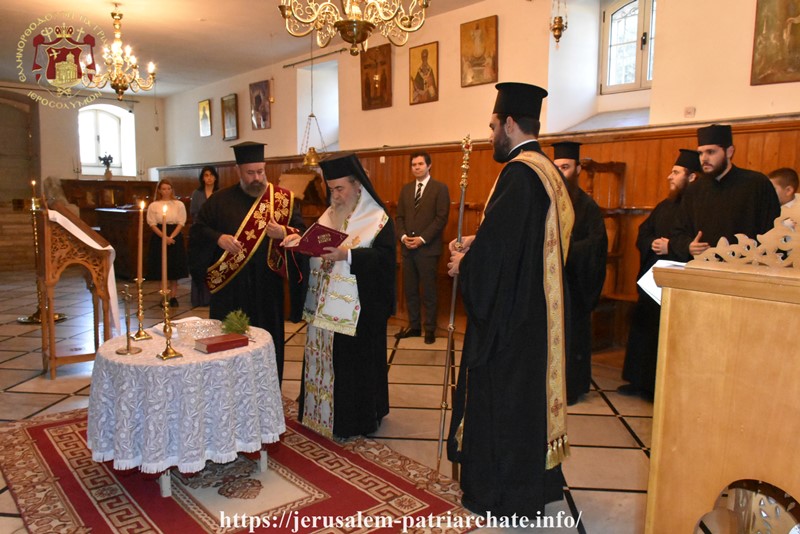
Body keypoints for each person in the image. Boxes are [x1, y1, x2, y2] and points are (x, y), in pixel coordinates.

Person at [445, 83, 574, 518]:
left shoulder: (520, 174)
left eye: (493, 126)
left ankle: (499, 494)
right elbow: (520, 242)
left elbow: (499, 258)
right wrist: (478, 241)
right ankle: (529, 487)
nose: (490, 135)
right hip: (537, 312)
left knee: (502, 404)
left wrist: (466, 263)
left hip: (510, 320)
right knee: (526, 404)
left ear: (511, 124)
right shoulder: (548, 172)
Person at [283, 153, 395, 439]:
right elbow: (316, 242)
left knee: (350, 366)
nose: (334, 195)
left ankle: (351, 420)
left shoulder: (377, 219)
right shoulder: (329, 214)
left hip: (358, 312)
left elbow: (384, 260)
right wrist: (299, 243)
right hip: (324, 307)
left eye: (340, 188)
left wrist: (348, 255)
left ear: (358, 185)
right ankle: (318, 413)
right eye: (330, 189)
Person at [189, 142, 306, 383]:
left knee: (267, 343)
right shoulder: (219, 201)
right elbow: (198, 230)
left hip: (267, 288)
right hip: (230, 289)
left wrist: (283, 232)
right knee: (227, 344)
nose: (257, 178)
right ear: (238, 170)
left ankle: (268, 390)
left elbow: (301, 233)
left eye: (260, 172)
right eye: (250, 173)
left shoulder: (281, 199)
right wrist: (218, 238)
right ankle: (226, 389)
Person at [618, 149, 701, 399]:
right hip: (652, 278)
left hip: (679, 284)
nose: (669, 177)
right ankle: (639, 381)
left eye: (676, 173)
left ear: (692, 177)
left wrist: (671, 247)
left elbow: (699, 243)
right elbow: (644, 232)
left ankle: (660, 388)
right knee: (645, 328)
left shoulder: (698, 207)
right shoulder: (665, 206)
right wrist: (652, 242)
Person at [669, 124, 781, 261]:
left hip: (747, 268)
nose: (704, 158)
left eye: (711, 152)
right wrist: (688, 245)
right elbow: (679, 231)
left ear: (729, 152)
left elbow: (772, 230)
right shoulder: (694, 189)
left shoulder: (757, 183)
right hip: (705, 268)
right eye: (700, 153)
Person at [552, 141, 608, 405]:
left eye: (565, 167)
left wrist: (567, 250)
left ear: (577, 169)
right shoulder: (547, 201)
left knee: (573, 336)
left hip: (576, 284)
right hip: (551, 281)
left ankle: (572, 387)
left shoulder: (588, 207)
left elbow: (597, 244)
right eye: (556, 167)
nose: (560, 173)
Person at [395, 151, 450, 344]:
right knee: (410, 290)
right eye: (413, 165)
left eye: (420, 164)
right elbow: (399, 217)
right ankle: (415, 326)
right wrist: (403, 237)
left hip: (427, 249)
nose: (416, 167)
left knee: (428, 291)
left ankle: (430, 330)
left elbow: (441, 218)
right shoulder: (406, 190)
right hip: (408, 249)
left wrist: (422, 239)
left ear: (429, 165)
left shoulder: (440, 188)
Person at [146, 179, 188, 308]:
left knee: (173, 268)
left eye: (168, 188)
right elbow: (152, 223)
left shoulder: (178, 204)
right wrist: (164, 237)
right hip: (160, 235)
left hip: (174, 235)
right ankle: (163, 296)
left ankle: (173, 296)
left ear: (172, 190)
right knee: (161, 268)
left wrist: (171, 237)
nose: (166, 191)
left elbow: (181, 222)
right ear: (159, 190)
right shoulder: (154, 205)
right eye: (163, 189)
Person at [189, 166, 219, 306]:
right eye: (206, 175)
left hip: (216, 233)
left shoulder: (220, 193)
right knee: (200, 265)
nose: (209, 178)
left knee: (214, 264)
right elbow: (194, 213)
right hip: (200, 234)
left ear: (215, 177)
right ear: (202, 177)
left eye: (211, 175)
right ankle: (200, 298)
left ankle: (214, 296)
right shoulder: (197, 193)